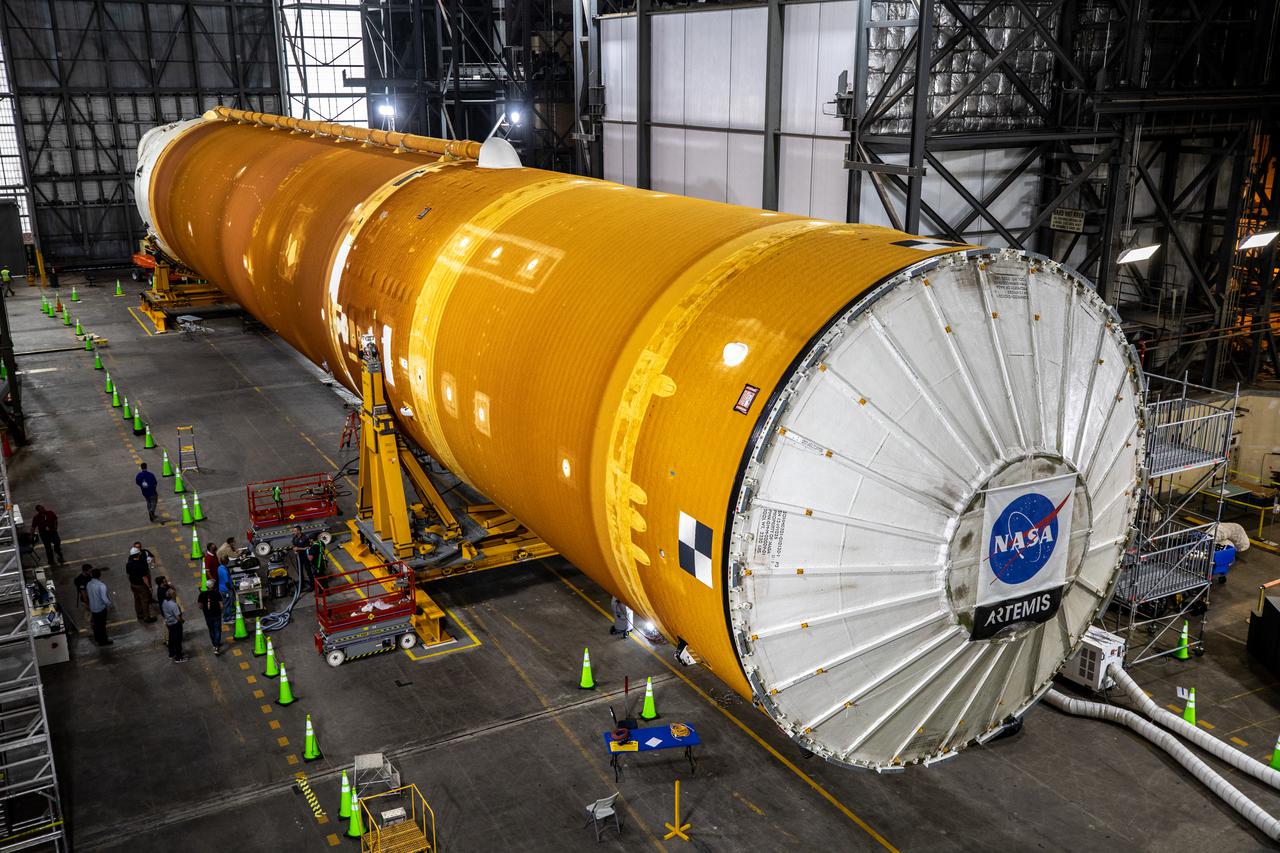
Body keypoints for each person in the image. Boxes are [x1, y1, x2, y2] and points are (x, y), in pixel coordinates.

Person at [125, 545, 157, 623]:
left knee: (137, 599)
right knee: (145, 601)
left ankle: (139, 614)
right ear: (138, 554)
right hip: (141, 585)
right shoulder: (140, 565)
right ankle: (147, 617)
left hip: (133, 584)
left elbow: (128, 574)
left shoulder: (128, 564)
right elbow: (144, 578)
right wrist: (149, 587)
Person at [86, 568, 113, 646]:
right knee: (102, 625)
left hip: (93, 608)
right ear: (100, 575)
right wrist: (110, 604)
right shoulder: (102, 585)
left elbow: (88, 595)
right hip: (100, 608)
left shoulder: (88, 584)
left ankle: (97, 638)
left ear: (91, 575)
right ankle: (103, 640)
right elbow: (104, 599)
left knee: (96, 624)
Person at [197, 581, 224, 655]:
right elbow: (221, 605)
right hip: (217, 614)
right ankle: (216, 646)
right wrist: (220, 611)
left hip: (208, 615)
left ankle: (214, 644)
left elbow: (200, 606)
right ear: (212, 586)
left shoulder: (202, 594)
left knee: (211, 630)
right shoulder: (217, 593)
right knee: (217, 630)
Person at [161, 587, 186, 662]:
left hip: (169, 623)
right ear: (172, 595)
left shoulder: (164, 602)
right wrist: (182, 621)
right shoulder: (173, 605)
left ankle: (171, 654)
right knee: (178, 641)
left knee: (171, 640)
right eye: (175, 594)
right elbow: (178, 618)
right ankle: (179, 657)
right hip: (175, 624)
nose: (176, 595)